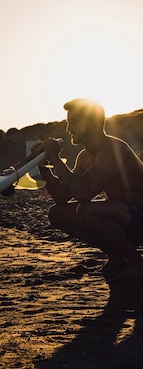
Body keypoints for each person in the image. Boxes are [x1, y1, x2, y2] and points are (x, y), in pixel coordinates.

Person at [36, 98, 143, 282]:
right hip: (126, 218)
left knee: (88, 211)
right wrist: (44, 168)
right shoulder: (85, 156)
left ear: (92, 123)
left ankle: (136, 262)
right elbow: (62, 198)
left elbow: (84, 193)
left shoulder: (113, 151)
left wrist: (55, 158)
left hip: (139, 217)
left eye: (74, 122)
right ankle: (117, 254)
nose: (69, 129)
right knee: (57, 214)